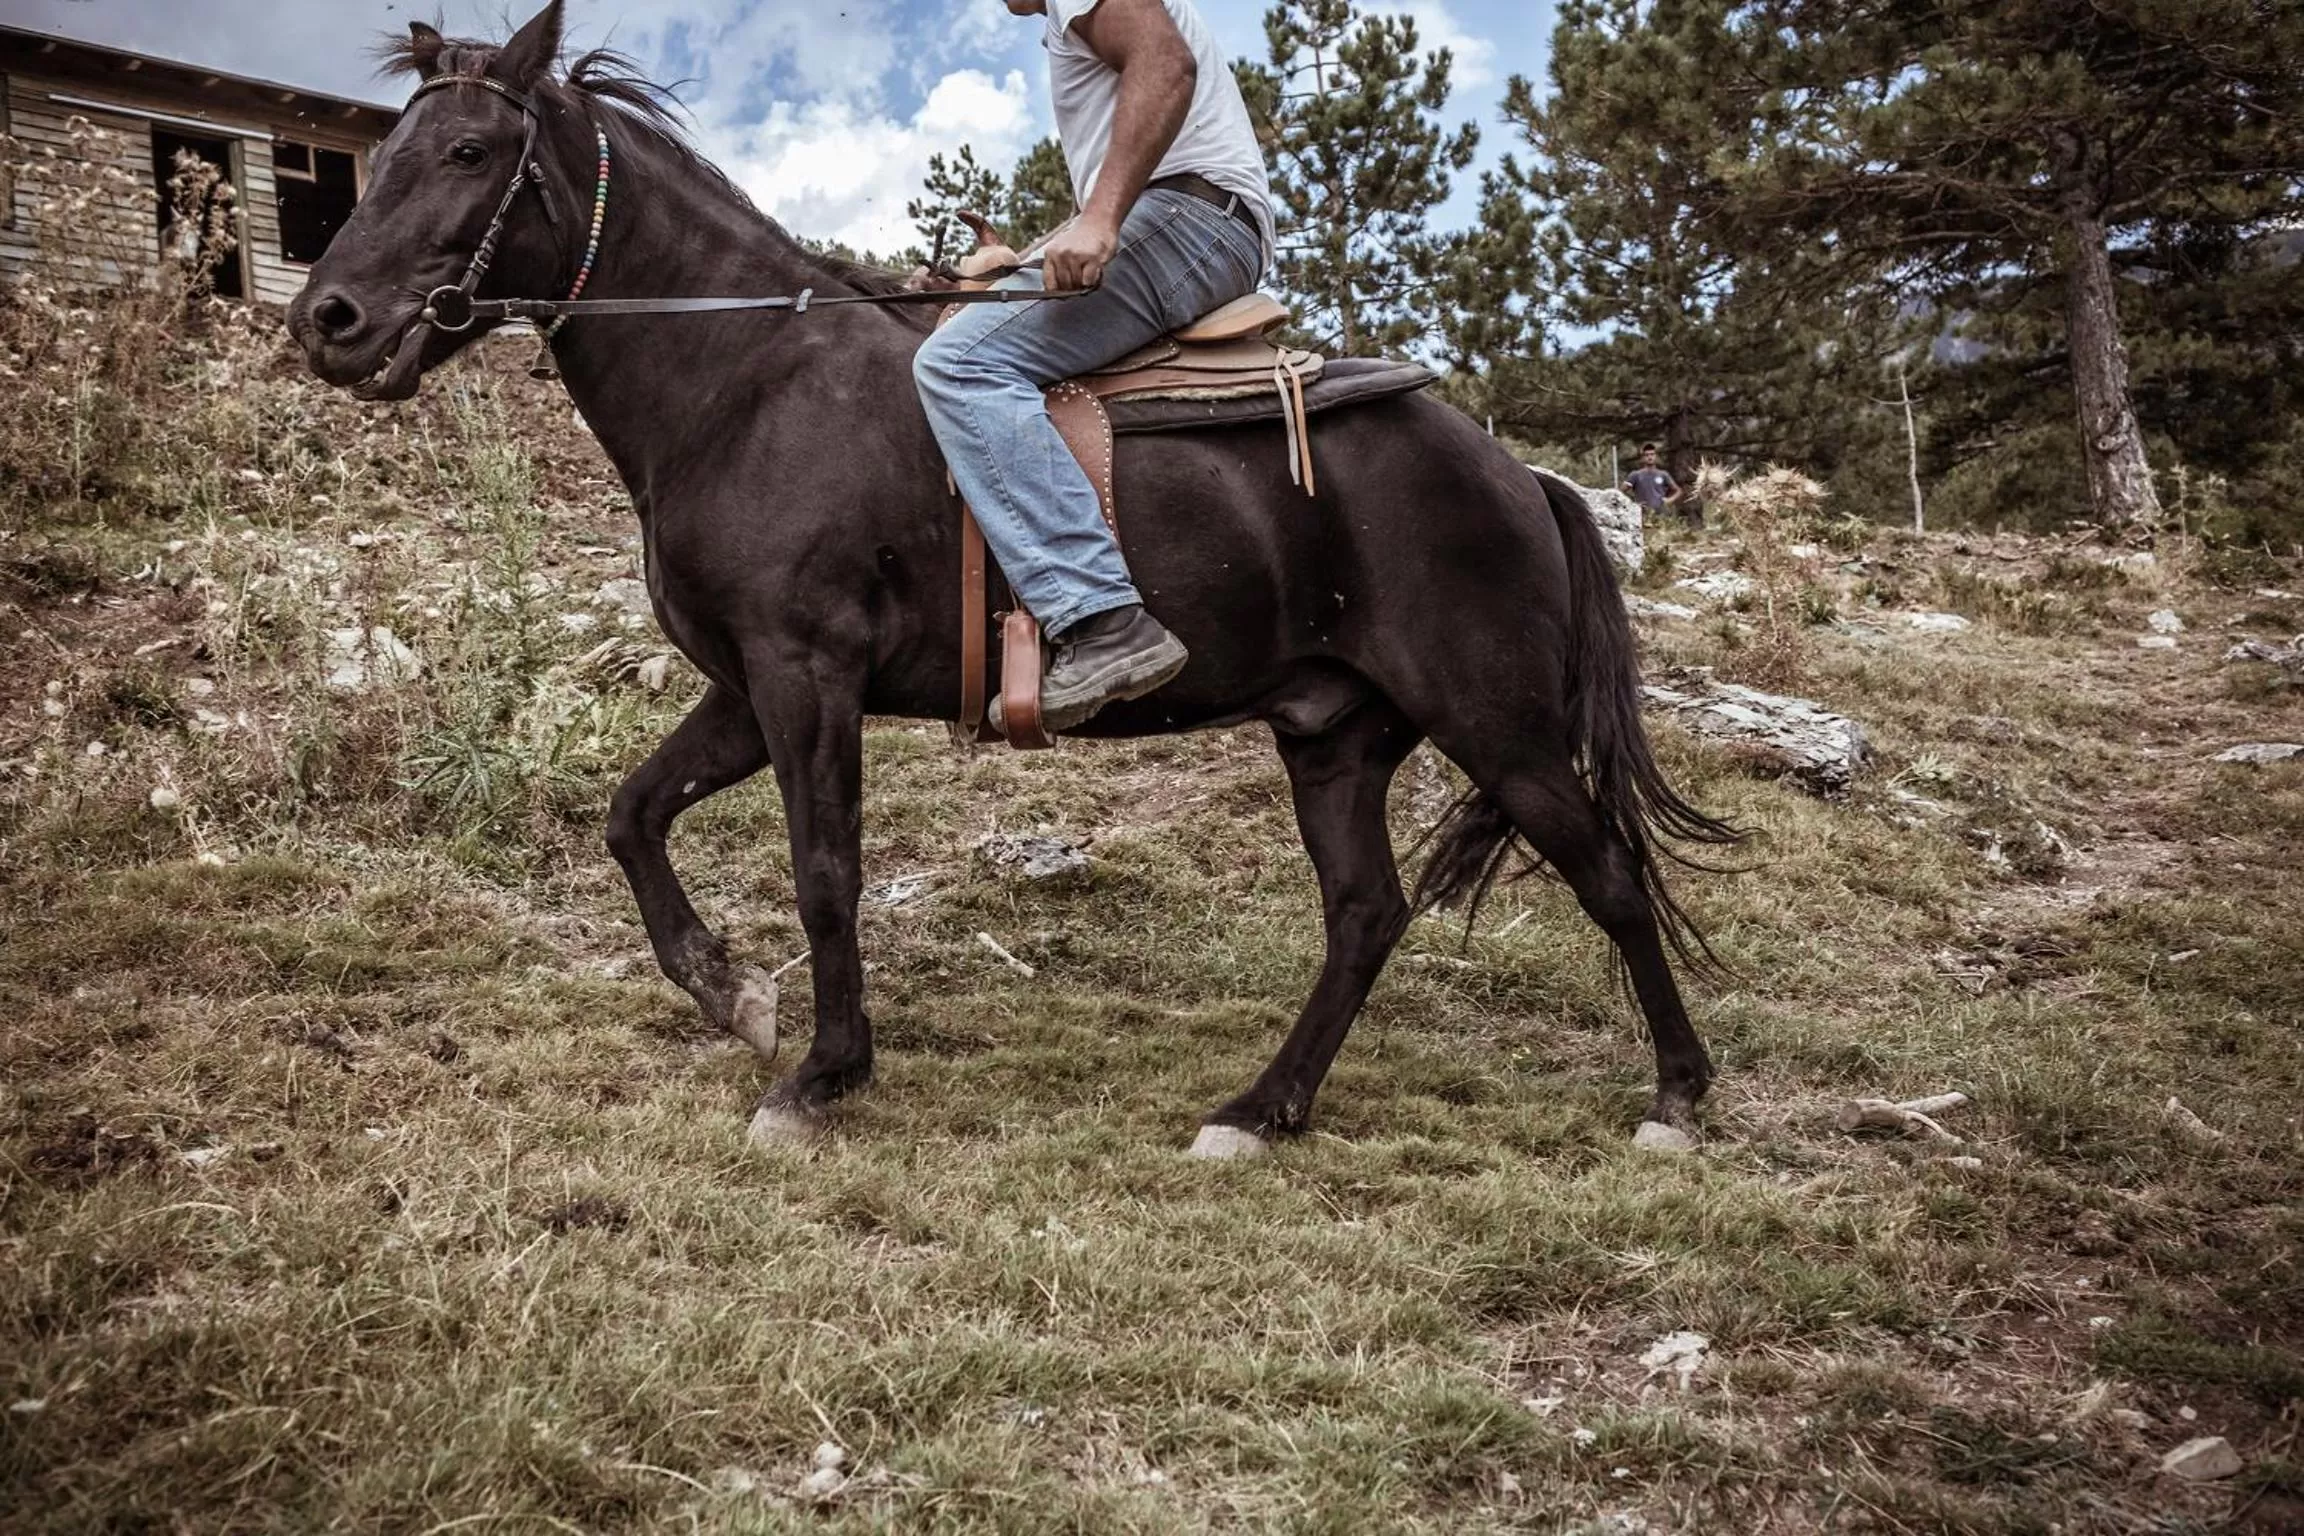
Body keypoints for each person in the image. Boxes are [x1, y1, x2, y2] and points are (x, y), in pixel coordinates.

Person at [914, 0, 1273, 732]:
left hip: (1188, 217)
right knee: (974, 325)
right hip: (1192, 217)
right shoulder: (1061, 22)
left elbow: (1166, 64)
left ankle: (1103, 619)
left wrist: (1102, 218)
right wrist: (1015, 267)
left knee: (959, 364)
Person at [1621, 443, 1688, 528]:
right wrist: (1631, 504)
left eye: (1652, 454)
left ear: (1656, 456)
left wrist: (1669, 500)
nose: (1650, 457)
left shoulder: (1663, 474)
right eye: (1647, 455)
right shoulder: (1635, 475)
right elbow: (1621, 491)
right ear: (1643, 458)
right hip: (1642, 516)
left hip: (1661, 515)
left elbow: (1678, 491)